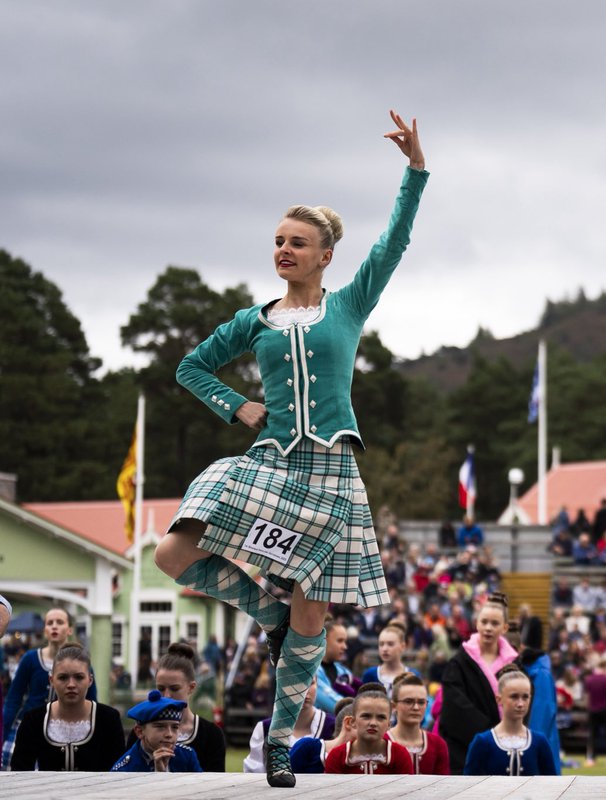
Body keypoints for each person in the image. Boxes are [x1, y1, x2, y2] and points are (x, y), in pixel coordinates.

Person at [151, 110, 427, 788]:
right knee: (172, 552)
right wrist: (237, 405)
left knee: (313, 612)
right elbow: (190, 367)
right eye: (277, 240)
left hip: (332, 472)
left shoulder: (348, 305)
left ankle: (279, 741)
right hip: (272, 463)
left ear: (324, 254)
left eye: (297, 242)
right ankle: (266, 610)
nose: (284, 250)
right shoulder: (256, 319)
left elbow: (393, 243)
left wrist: (415, 171)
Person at [2, 608, 97, 770]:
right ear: (44, 629)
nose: (54, 626)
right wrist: (3, 731)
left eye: (60, 622)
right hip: (28, 724)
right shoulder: (30, 659)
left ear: (69, 629)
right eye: (50, 623)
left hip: (65, 724)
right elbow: (14, 698)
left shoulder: (81, 662)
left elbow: (92, 700)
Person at [10, 644, 125, 771]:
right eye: (63, 677)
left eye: (79, 677)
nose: (71, 684)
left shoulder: (109, 719)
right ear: (51, 680)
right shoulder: (33, 720)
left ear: (90, 680)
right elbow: (20, 770)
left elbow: (118, 772)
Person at [439, 593, 519, 773]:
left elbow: (522, 700)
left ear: (505, 628)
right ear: (477, 623)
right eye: (484, 622)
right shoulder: (459, 662)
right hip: (464, 747)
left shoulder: (514, 664)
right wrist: (489, 733)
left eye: (495, 623)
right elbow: (455, 704)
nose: (488, 628)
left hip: (507, 745)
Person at [122, 641, 226, 772]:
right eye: (161, 688)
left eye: (174, 688)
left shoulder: (211, 735)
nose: (166, 696)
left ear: (191, 687)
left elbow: (215, 786)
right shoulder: (143, 732)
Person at [463, 664, 558, 776]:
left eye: (525, 697)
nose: (520, 704)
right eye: (514, 697)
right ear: (499, 699)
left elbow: (551, 784)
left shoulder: (539, 742)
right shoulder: (483, 742)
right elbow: (471, 785)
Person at [244, 678, 334, 773]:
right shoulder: (265, 728)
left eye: (311, 683)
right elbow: (253, 774)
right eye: (297, 682)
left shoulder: (332, 726)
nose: (305, 690)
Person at [323, 683, 412, 774]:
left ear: (388, 724)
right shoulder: (337, 756)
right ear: (352, 722)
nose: (373, 723)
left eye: (381, 717)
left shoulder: (400, 755)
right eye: (366, 716)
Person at [111, 690, 203, 773]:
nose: (169, 734)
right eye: (160, 727)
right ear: (140, 732)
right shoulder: (125, 770)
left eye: (175, 727)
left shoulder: (187, 756)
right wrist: (158, 775)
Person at [518, 616, 563, 774]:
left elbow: (539, 721)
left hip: (537, 761)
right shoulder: (531, 670)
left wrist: (529, 753)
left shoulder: (540, 675)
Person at [385, 672, 449, 774]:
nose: (416, 707)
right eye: (408, 701)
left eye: (421, 702)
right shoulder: (383, 742)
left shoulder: (438, 745)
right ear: (393, 706)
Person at [290, 697, 355, 774]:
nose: (372, 723)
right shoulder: (307, 747)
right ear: (349, 722)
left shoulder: (363, 762)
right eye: (366, 717)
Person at [584, 657, 606, 767]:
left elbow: (587, 697)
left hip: (593, 710)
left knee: (593, 734)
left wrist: (588, 708)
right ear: (605, 667)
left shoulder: (589, 679)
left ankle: (592, 757)